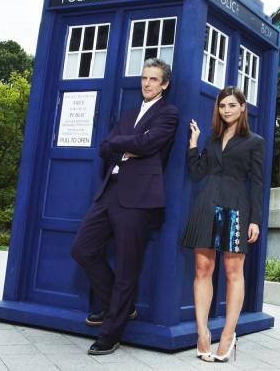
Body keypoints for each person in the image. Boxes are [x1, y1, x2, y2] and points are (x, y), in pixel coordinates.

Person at [70, 57, 179, 356]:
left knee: (127, 268)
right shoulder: (130, 113)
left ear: (164, 84)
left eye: (154, 79)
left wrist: (126, 143)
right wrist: (128, 144)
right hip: (110, 191)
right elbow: (105, 146)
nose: (147, 83)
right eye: (144, 78)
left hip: (139, 197)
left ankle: (111, 333)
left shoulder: (169, 113)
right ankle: (120, 307)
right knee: (82, 248)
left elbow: (148, 144)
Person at [181, 86, 266, 363]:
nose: (226, 110)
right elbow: (197, 174)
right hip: (206, 205)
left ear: (243, 108)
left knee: (232, 271)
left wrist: (255, 219)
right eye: (222, 106)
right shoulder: (212, 139)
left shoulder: (255, 141)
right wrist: (193, 144)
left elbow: (257, 184)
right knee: (202, 268)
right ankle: (202, 333)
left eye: (231, 105)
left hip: (236, 208)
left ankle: (228, 334)